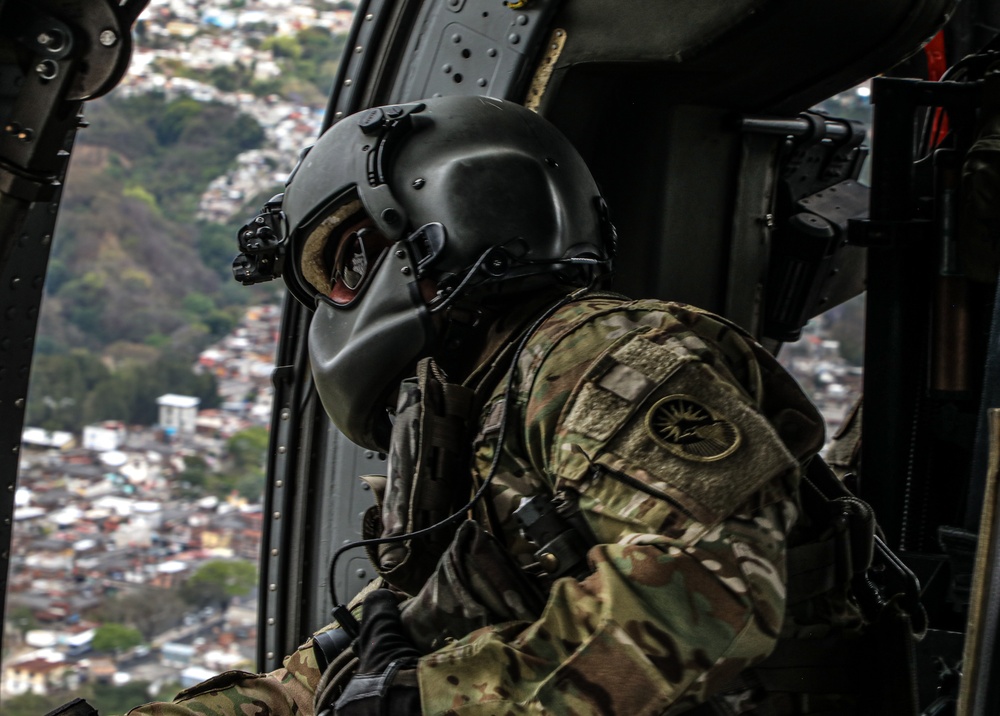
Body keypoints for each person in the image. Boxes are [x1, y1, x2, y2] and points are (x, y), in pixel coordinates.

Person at [132, 96, 891, 716]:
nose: (341, 302)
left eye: (348, 264)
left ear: (441, 226)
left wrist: (424, 703)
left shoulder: (604, 362)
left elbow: (707, 594)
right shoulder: (477, 408)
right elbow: (362, 651)